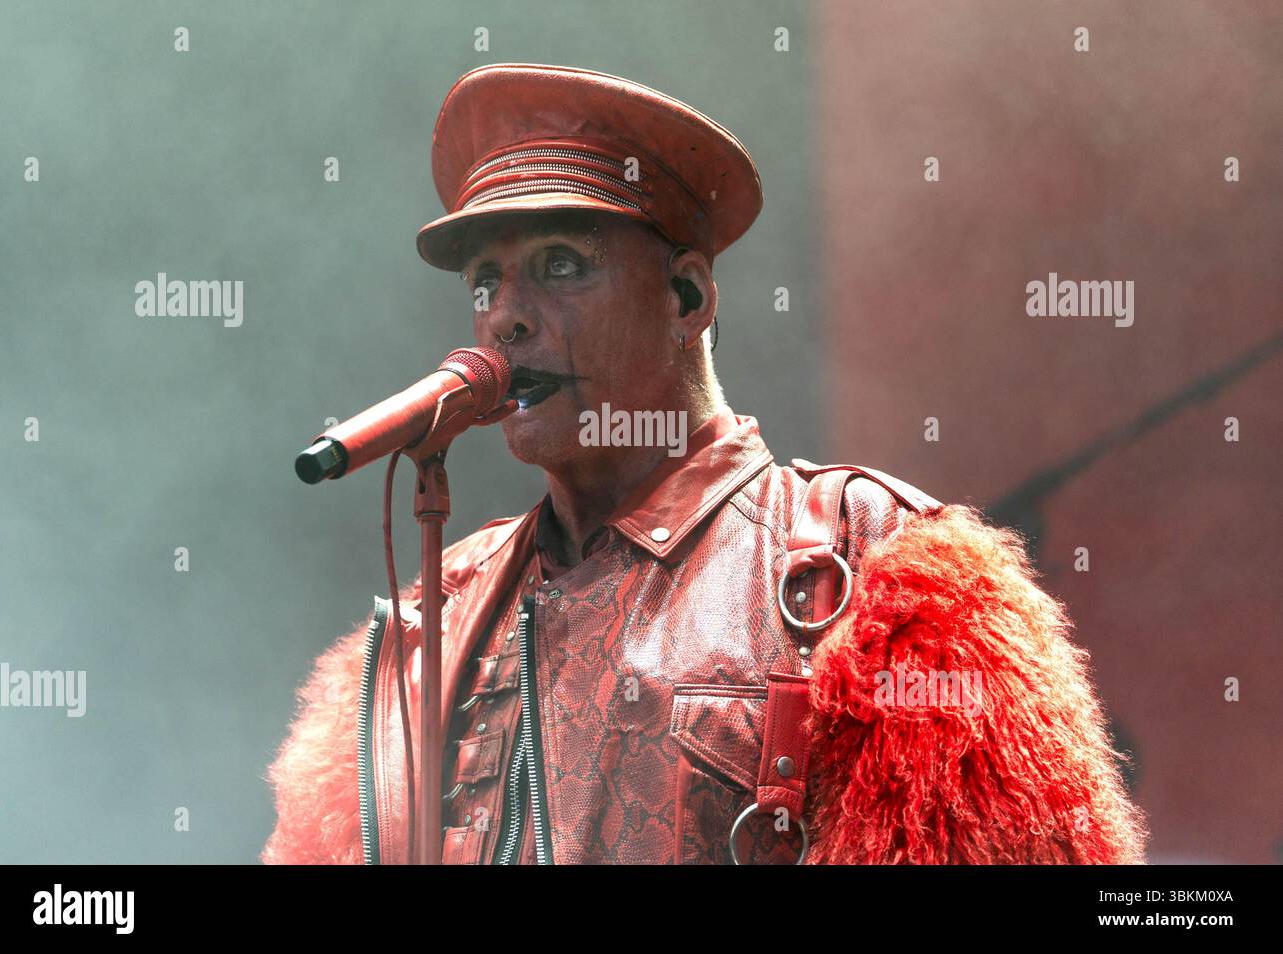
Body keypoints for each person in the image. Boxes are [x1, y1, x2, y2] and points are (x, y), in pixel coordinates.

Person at [262, 63, 1147, 864]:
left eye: (560, 265)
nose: (505, 318)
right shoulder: (435, 616)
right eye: (485, 283)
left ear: (686, 297)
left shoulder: (879, 570)